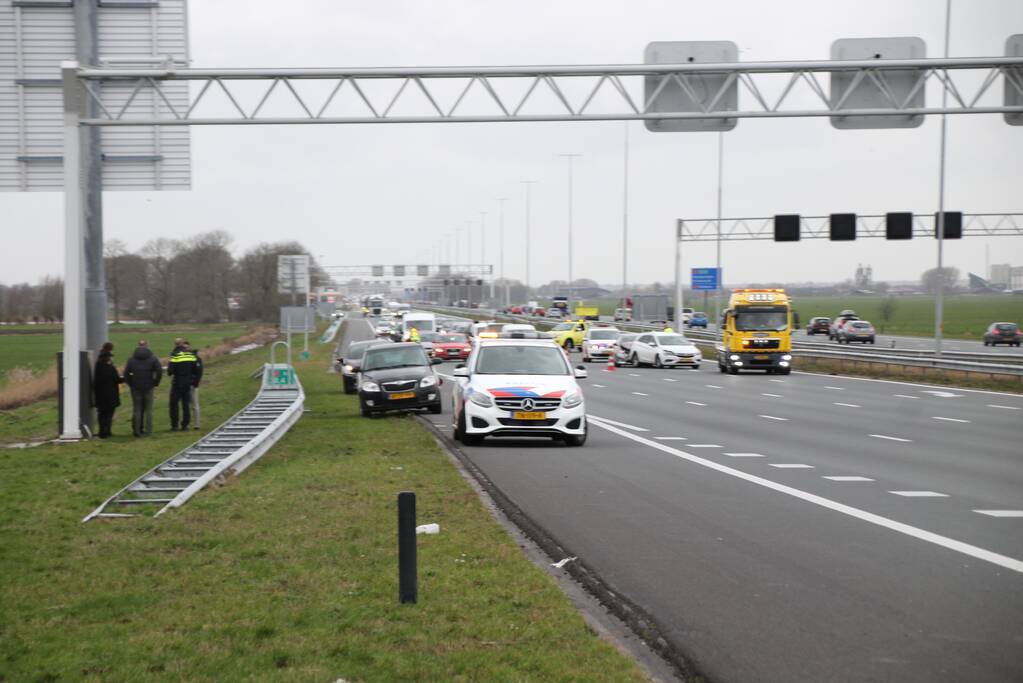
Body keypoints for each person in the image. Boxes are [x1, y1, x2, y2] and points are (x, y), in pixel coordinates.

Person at [123, 340, 162, 437]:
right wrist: (155, 382)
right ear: (147, 346)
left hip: (136, 386)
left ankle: (137, 431)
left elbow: (126, 373)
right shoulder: (153, 358)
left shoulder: (131, 359)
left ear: (138, 346)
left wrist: (131, 383)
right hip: (149, 386)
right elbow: (159, 371)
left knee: (137, 409)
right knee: (149, 410)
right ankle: (149, 431)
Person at [167, 340, 200, 431]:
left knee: (174, 404)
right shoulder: (190, 355)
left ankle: (175, 426)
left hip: (177, 383)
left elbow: (170, 371)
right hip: (187, 383)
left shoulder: (175, 355)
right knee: (185, 404)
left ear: (176, 345)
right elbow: (196, 370)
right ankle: (185, 425)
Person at [93, 350, 121, 438]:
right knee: (109, 414)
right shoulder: (110, 368)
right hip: (110, 395)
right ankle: (107, 431)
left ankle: (101, 431)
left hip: (100, 395)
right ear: (107, 358)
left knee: (101, 414)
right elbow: (117, 379)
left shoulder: (97, 368)